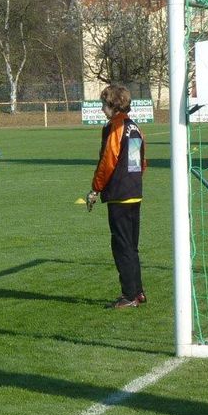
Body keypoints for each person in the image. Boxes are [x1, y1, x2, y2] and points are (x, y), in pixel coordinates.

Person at [88, 84, 147, 309]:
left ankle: (129, 295)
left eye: (104, 104)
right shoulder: (134, 127)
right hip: (133, 192)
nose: (102, 109)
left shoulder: (115, 127)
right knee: (131, 246)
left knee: (121, 246)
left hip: (120, 195)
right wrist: (134, 183)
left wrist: (96, 188)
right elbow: (140, 162)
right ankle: (138, 291)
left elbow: (108, 160)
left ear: (112, 105)